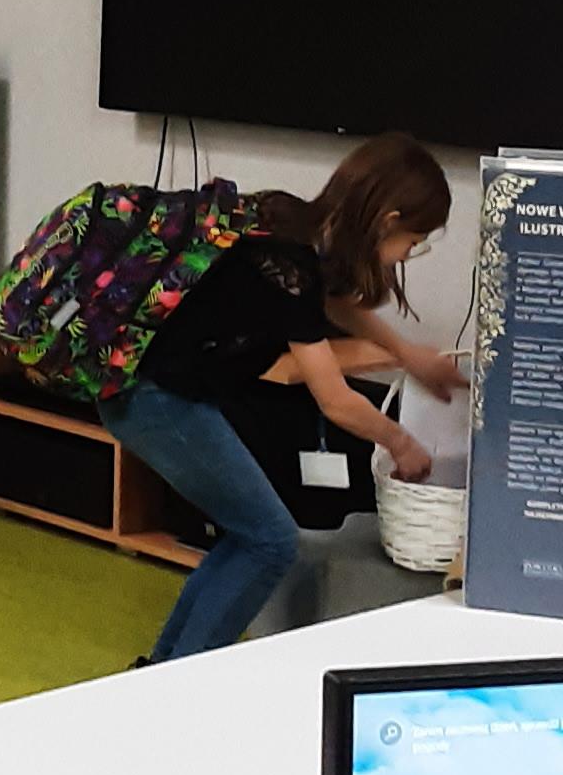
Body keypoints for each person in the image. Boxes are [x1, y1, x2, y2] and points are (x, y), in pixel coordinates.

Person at [111, 134, 464, 663]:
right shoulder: (291, 267)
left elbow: (335, 305)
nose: (408, 255)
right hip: (153, 397)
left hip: (155, 387)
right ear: (387, 221)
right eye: (413, 242)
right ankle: (178, 678)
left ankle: (163, 670)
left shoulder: (289, 221)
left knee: (250, 533)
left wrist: (407, 355)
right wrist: (401, 443)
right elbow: (335, 400)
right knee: (270, 541)